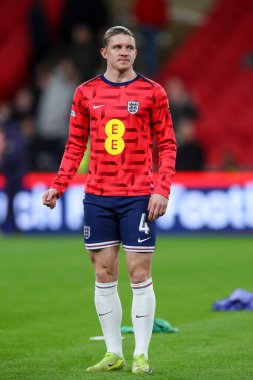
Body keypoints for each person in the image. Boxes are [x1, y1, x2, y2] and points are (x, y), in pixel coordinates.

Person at [42, 26, 177, 374]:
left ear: (135, 52)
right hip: (98, 197)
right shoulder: (86, 93)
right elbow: (75, 145)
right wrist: (59, 184)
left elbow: (167, 144)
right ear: (104, 52)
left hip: (138, 196)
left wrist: (162, 189)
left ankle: (142, 354)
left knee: (138, 272)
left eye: (130, 47)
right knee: (104, 273)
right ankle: (114, 353)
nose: (124, 51)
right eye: (117, 46)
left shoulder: (152, 92)